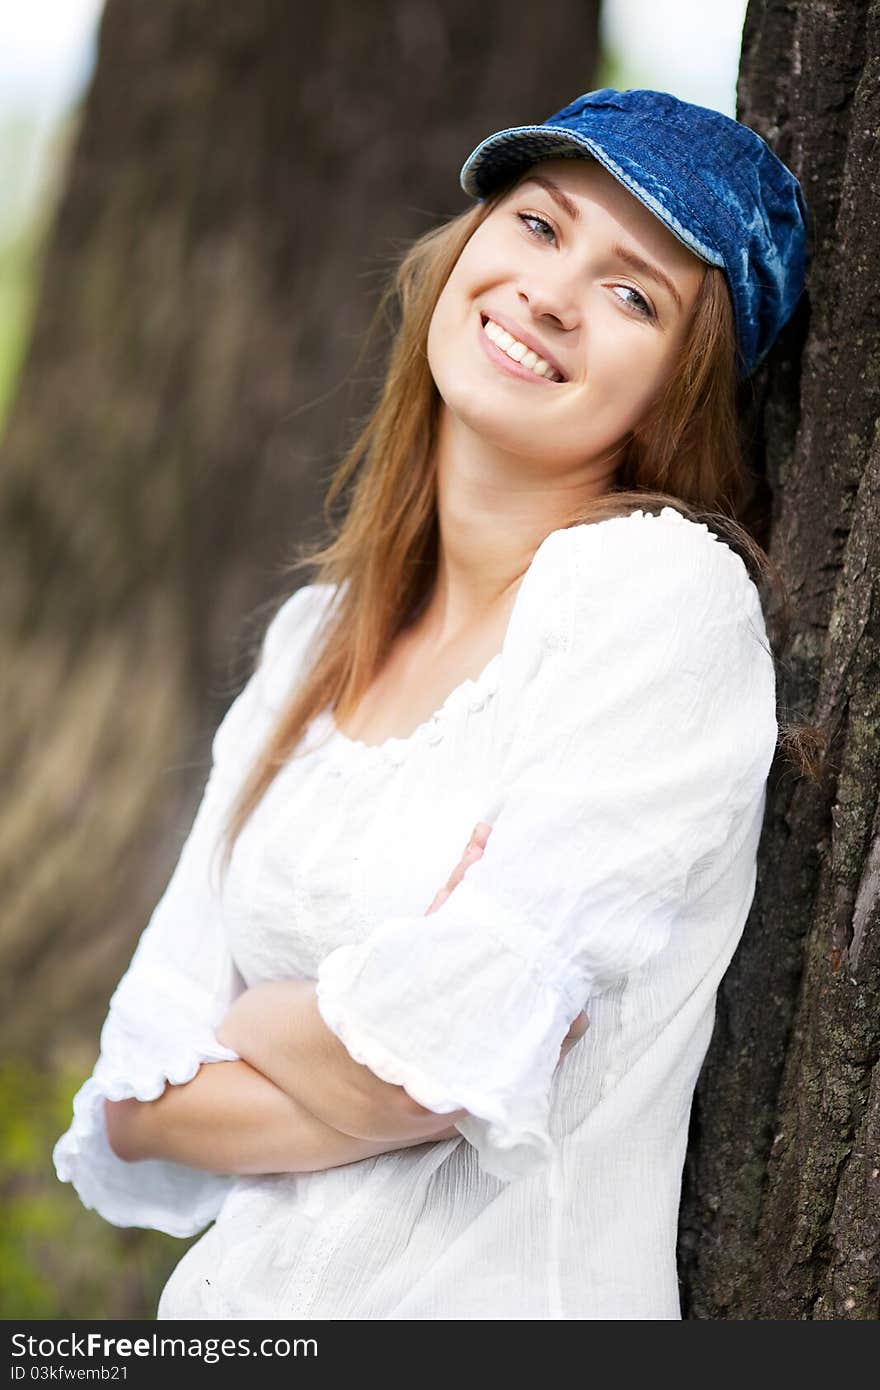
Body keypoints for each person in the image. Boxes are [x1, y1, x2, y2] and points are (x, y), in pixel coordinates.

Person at [53, 87, 809, 1320]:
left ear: (683, 382)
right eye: (538, 225)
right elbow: (141, 1099)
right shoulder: (317, 639)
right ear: (464, 248)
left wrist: (256, 1014)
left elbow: (434, 1071)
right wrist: (366, 1024)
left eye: (634, 295)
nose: (551, 295)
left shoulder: (655, 600)